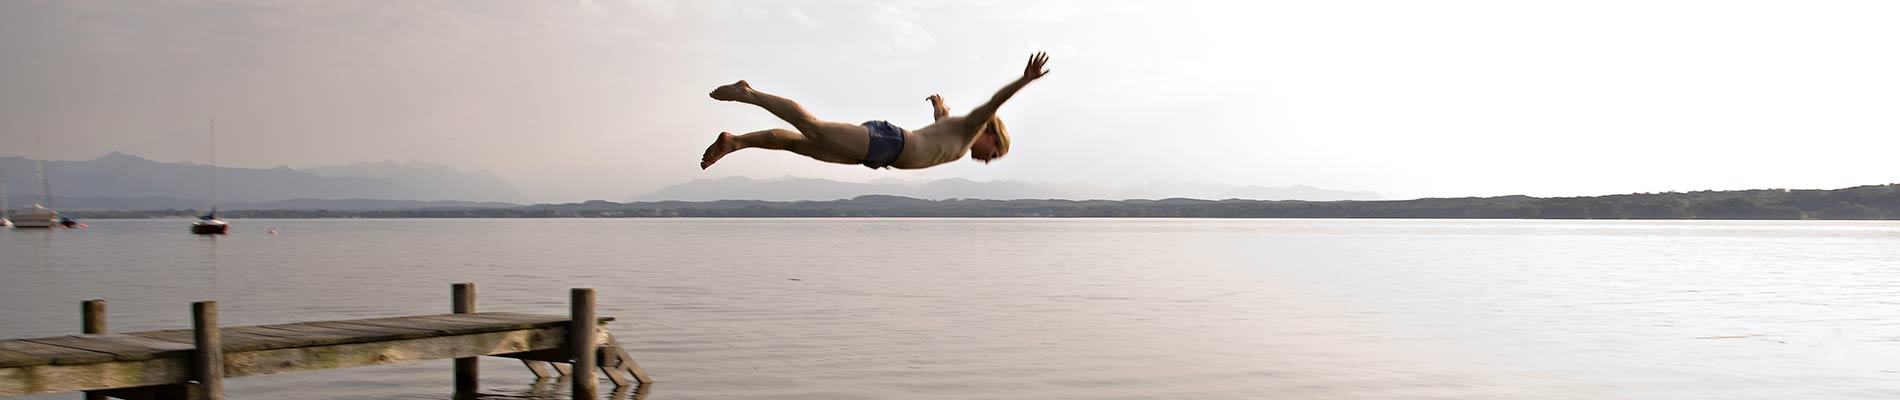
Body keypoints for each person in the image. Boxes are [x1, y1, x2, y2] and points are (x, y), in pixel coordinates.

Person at [700, 52, 1050, 170]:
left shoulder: (957, 135)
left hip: (880, 154)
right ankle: (749, 93)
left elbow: (942, 122)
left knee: (801, 144)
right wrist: (1025, 80)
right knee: (813, 128)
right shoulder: (973, 127)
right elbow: (995, 103)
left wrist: (941, 107)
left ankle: (735, 142)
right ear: (992, 134)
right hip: (889, 142)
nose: (988, 160)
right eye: (995, 154)